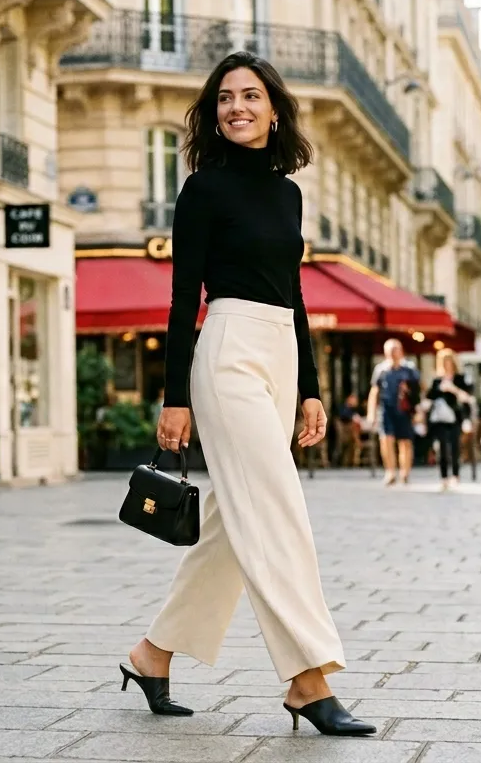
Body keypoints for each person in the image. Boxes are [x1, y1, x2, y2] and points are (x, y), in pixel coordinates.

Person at [137, 52, 375, 737]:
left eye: (250, 95)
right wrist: (174, 394)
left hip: (276, 351)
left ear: (275, 107)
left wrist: (310, 388)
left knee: (234, 524)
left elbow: (295, 297)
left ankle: (151, 654)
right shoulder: (202, 190)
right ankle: (308, 678)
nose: (236, 107)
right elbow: (185, 298)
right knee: (276, 508)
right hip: (228, 352)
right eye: (224, 99)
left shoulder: (287, 193)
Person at [367, 339, 421, 485]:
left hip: (404, 410)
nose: (392, 353)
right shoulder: (381, 369)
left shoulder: (409, 369)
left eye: (395, 349)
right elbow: (374, 391)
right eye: (390, 350)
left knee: (405, 442)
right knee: (386, 440)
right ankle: (390, 471)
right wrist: (371, 413)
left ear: (401, 351)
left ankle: (405, 472)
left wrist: (417, 411)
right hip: (386, 409)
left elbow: (417, 391)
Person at [426, 348, 474, 490]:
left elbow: (467, 398)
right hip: (440, 418)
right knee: (441, 447)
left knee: (454, 447)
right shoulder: (437, 381)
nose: (447, 364)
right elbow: (430, 398)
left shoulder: (460, 379)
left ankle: (455, 475)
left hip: (456, 418)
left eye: (449, 361)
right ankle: (443, 477)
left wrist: (452, 389)